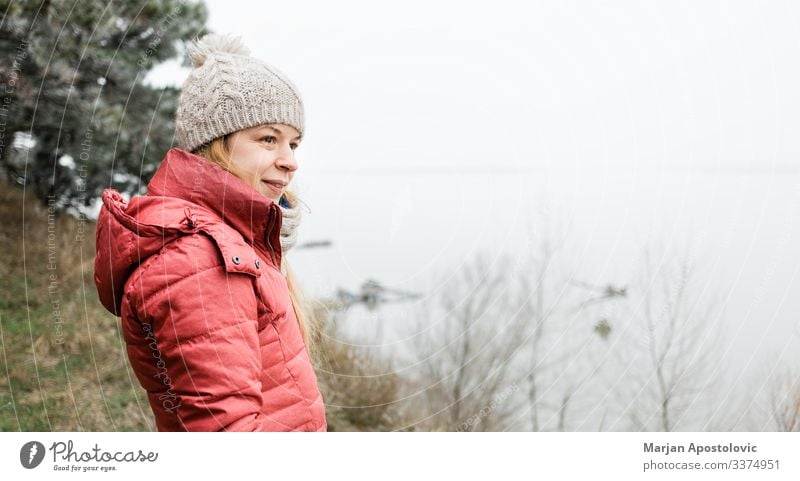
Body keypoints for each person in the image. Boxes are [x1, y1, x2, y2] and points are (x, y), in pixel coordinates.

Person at [93, 33, 327, 431]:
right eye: (268, 139)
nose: (290, 162)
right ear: (215, 144)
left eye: (294, 143)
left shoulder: (234, 242)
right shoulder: (200, 260)